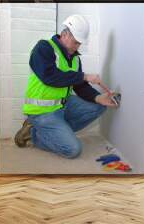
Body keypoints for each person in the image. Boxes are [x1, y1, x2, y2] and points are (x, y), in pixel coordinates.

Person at [14, 15, 117, 159]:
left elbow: (80, 86)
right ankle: (33, 134)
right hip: (42, 112)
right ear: (64, 34)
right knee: (72, 149)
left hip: (63, 105)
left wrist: (99, 97)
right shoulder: (44, 48)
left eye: (79, 44)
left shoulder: (75, 58)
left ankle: (58, 132)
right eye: (75, 42)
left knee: (99, 106)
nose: (77, 47)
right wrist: (84, 76)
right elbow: (49, 76)